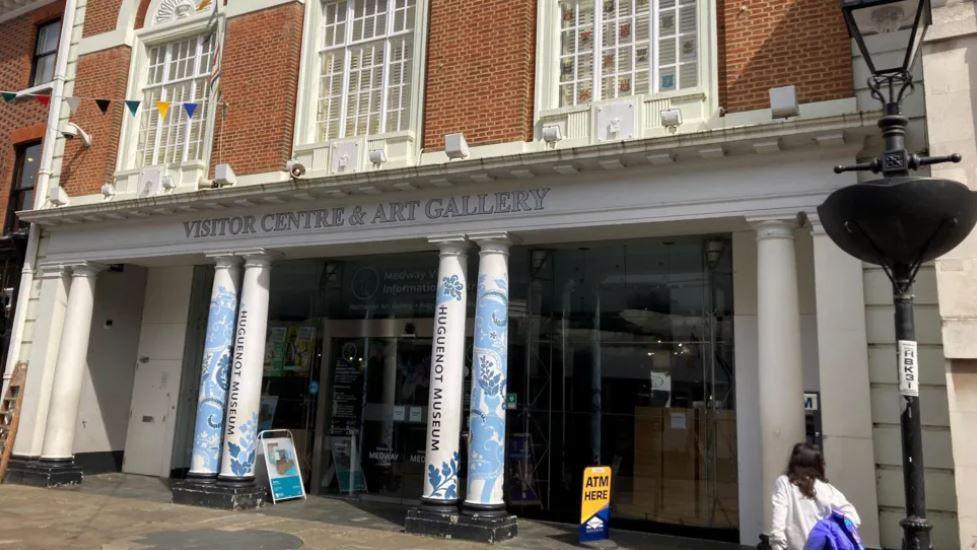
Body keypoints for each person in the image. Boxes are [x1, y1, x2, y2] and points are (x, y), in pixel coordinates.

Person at [768, 442, 860, 550]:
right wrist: (830, 529)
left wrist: (777, 544)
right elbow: (853, 518)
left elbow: (778, 520)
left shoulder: (784, 483)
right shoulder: (827, 489)